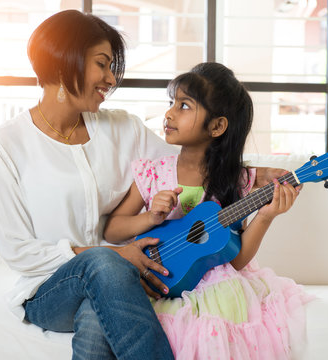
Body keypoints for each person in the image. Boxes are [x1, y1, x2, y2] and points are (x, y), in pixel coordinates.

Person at [0, 9, 286, 360]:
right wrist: (114, 256)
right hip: (50, 289)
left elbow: (193, 160)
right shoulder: (5, 144)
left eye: (112, 67)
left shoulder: (123, 128)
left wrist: (255, 174)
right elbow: (19, 252)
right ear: (65, 60)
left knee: (96, 320)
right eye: (102, 64)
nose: (111, 79)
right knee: (102, 264)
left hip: (121, 284)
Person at [104, 62, 311, 359]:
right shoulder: (153, 173)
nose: (170, 113)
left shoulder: (237, 182)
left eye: (185, 106)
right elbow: (112, 229)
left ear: (216, 126)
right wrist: (150, 217)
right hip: (155, 277)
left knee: (219, 320)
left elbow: (235, 260)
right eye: (171, 103)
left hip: (214, 286)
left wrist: (265, 216)